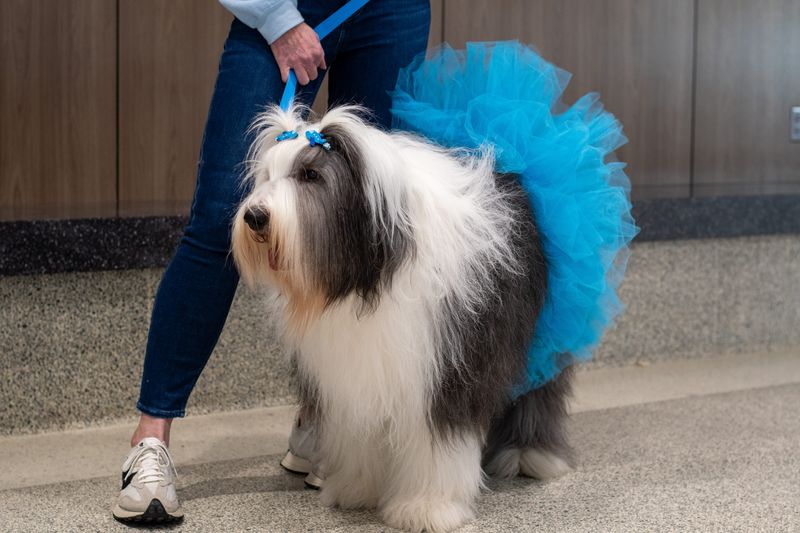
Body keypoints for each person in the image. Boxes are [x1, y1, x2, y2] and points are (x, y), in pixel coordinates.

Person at [112, 0, 431, 523]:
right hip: (282, 10)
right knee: (223, 217)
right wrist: (277, 17)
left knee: (365, 230)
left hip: (393, 11)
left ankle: (323, 418)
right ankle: (151, 441)